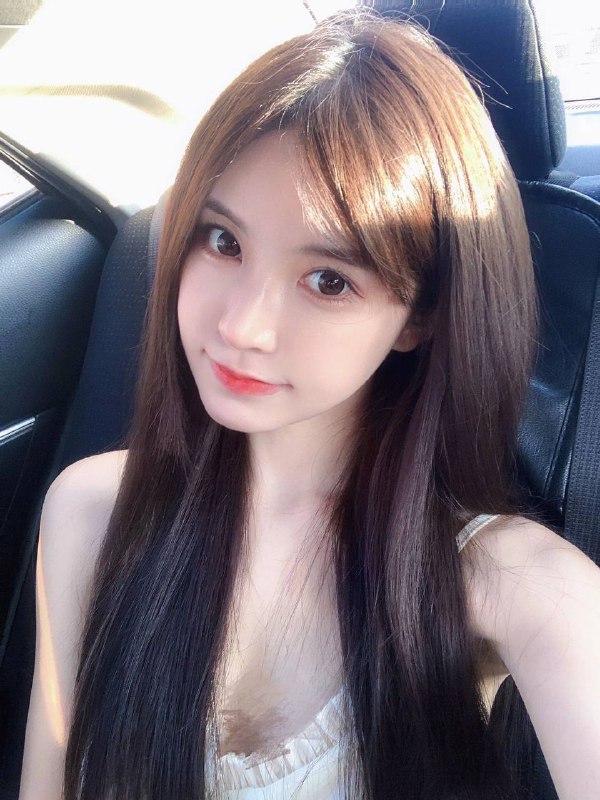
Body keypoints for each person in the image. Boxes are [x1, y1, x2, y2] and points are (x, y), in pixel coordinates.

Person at [18, 9, 600, 800]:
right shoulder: (91, 511)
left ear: (419, 317)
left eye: (329, 280)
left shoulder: (511, 584)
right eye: (223, 241)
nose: (243, 327)